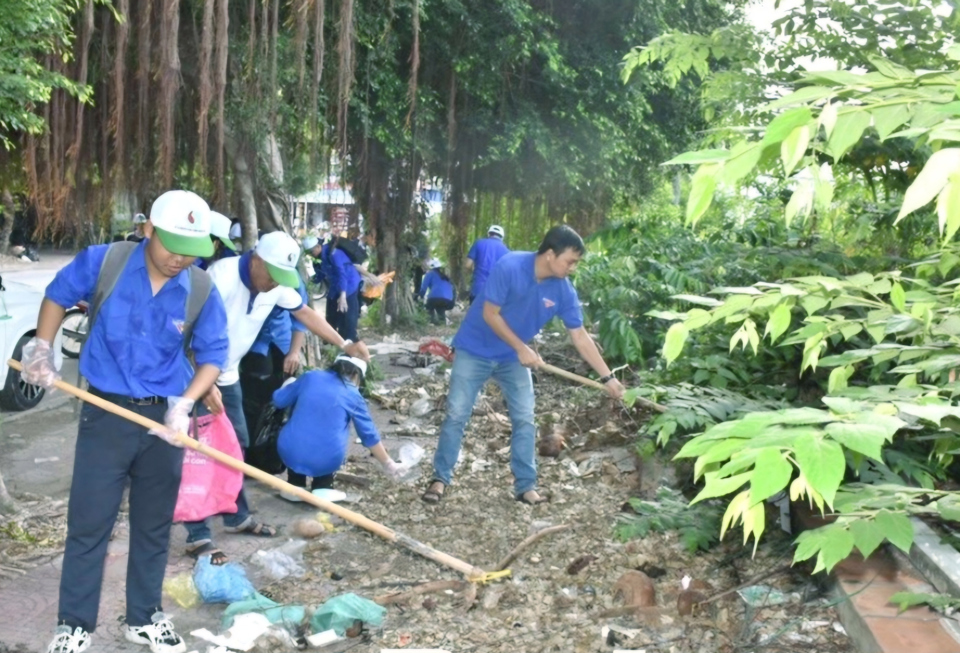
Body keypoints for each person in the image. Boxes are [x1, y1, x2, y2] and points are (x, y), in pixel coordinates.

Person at [23, 190, 228, 653]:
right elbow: (58, 294)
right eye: (172, 244)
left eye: (191, 251)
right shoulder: (106, 262)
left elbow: (213, 355)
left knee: (154, 525)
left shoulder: (199, 288)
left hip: (166, 421)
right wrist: (41, 346)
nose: (180, 259)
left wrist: (184, 405)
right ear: (148, 229)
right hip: (106, 414)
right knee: (90, 522)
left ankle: (143, 617)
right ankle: (74, 624)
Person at [182, 231, 370, 564]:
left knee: (237, 446)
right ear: (256, 259)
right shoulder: (220, 277)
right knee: (199, 451)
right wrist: (201, 380)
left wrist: (345, 344)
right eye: (271, 274)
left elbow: (306, 315)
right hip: (195, 376)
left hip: (227, 376)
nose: (274, 284)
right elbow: (189, 331)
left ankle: (236, 515)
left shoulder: (277, 283)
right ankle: (198, 535)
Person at [423, 225, 625, 506]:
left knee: (524, 418)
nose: (573, 268)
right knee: (457, 414)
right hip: (474, 349)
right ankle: (440, 478)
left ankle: (525, 486)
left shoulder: (563, 290)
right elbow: (490, 314)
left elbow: (579, 336)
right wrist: (522, 347)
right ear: (550, 255)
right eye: (571, 261)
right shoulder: (510, 266)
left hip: (512, 360)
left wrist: (608, 379)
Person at [273, 355, 403, 501]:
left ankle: (295, 486)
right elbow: (369, 436)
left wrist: (288, 383)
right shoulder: (354, 395)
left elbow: (279, 400)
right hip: (326, 459)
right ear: (356, 375)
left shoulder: (310, 377)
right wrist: (388, 463)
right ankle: (323, 487)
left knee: (301, 434)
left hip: (289, 450)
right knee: (331, 440)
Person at [325, 234, 363, 341]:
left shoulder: (333, 255)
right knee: (344, 313)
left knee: (348, 314)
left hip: (349, 285)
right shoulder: (335, 253)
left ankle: (350, 340)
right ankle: (343, 338)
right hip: (350, 283)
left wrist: (343, 295)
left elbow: (342, 275)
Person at [466, 224, 509, 303]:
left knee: (475, 314)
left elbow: (468, 265)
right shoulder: (507, 251)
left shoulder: (478, 243)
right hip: (496, 294)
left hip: (478, 289)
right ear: (502, 237)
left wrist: (474, 270)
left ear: (489, 234)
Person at [419, 258, 456, 325]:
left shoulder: (430, 274)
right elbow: (453, 289)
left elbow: (423, 288)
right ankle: (442, 322)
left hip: (435, 299)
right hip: (449, 300)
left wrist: (420, 296)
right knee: (440, 308)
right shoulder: (445, 276)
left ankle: (432, 321)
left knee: (429, 306)